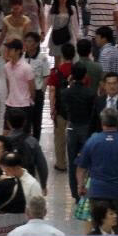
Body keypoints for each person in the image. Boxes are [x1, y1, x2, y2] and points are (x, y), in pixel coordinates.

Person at [76, 108, 118, 234]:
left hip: (97, 191)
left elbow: (81, 168)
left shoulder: (92, 141)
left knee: (98, 228)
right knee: (117, 226)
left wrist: (81, 186)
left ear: (102, 123)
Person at [62, 62, 95, 202]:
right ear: (85, 75)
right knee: (88, 160)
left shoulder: (66, 92)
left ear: (72, 75)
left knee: (72, 161)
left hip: (72, 127)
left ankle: (75, 193)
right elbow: (93, 113)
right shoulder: (90, 93)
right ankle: (86, 188)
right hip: (86, 127)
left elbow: (63, 110)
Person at [5, 109, 48, 193]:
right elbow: (42, 166)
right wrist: (43, 185)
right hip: (28, 182)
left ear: (8, 123)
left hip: (8, 184)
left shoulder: (4, 142)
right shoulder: (32, 141)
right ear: (24, 122)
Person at [47, 42, 75, 172]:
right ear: (74, 55)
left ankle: (61, 163)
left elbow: (52, 91)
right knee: (75, 135)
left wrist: (52, 108)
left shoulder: (55, 72)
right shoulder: (78, 69)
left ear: (62, 55)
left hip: (60, 109)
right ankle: (76, 161)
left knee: (59, 136)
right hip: (76, 109)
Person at [3, 39, 35, 134]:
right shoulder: (6, 67)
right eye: (7, 49)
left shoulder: (26, 68)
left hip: (24, 106)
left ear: (18, 51)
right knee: (6, 133)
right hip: (10, 104)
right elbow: (8, 85)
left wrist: (30, 101)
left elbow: (32, 89)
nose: (7, 51)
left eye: (10, 49)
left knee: (24, 135)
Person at [24, 32, 50, 140]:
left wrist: (42, 90)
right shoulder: (22, 56)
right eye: (26, 41)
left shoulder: (42, 58)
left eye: (30, 41)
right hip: (24, 93)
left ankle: (35, 144)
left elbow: (46, 75)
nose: (27, 43)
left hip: (37, 92)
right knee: (25, 120)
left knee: (36, 121)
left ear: (36, 44)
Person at [47, 0, 79, 66]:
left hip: (69, 36)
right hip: (56, 36)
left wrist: (77, 36)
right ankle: (58, 76)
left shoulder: (72, 8)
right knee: (57, 61)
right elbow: (48, 23)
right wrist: (43, 33)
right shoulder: (53, 9)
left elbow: (75, 23)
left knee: (68, 59)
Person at [95, 26, 118, 93]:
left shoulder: (105, 53)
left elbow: (105, 75)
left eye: (97, 37)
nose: (95, 40)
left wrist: (102, 93)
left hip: (111, 93)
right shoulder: (116, 50)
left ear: (104, 39)